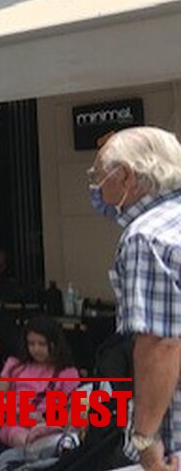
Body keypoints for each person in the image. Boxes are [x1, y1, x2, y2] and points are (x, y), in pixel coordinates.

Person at [88, 126, 181, 471]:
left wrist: (145, 439)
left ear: (126, 176)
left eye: (98, 176)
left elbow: (161, 342)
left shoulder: (145, 238)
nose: (96, 188)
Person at [0, 316, 80, 448]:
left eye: (42, 344)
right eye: (31, 344)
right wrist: (21, 413)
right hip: (14, 422)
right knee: (26, 441)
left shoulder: (67, 373)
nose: (36, 349)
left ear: (55, 344)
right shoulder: (14, 365)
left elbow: (73, 409)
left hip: (48, 425)